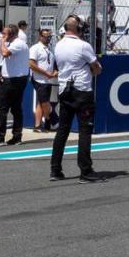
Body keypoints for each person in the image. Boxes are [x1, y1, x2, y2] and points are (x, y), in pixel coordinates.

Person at [51, 15, 103, 183]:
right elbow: (97, 69)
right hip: (82, 91)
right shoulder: (83, 46)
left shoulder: (58, 46)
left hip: (64, 90)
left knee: (62, 130)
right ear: (78, 29)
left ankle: (55, 170)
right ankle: (85, 171)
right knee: (84, 131)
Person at [0, 25, 30, 146]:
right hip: (15, 79)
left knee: (2, 107)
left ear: (11, 34)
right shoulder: (14, 43)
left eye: (5, 34)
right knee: (15, 108)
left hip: (13, 81)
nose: (2, 36)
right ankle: (16, 136)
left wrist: (2, 42)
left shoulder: (18, 44)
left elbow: (4, 53)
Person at [29, 28, 58, 133]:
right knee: (45, 103)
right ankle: (50, 120)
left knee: (41, 103)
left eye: (49, 37)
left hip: (48, 80)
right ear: (40, 36)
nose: (48, 38)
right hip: (39, 79)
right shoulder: (35, 48)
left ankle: (37, 125)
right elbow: (31, 64)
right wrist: (46, 74)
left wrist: (54, 72)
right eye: (46, 36)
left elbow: (53, 64)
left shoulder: (50, 49)